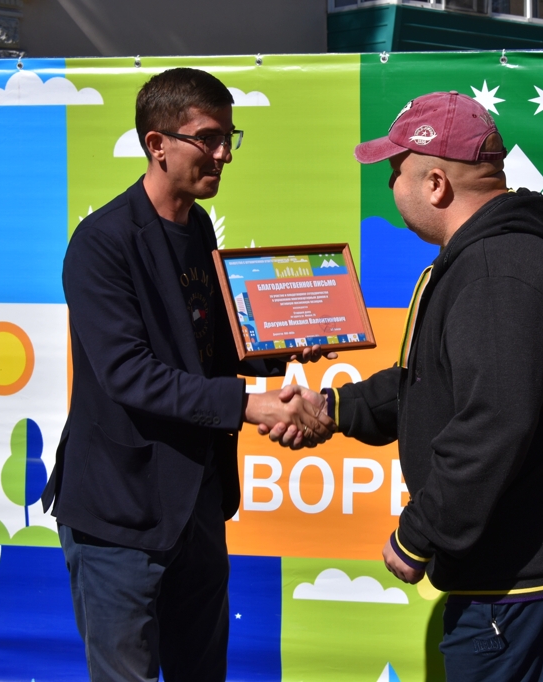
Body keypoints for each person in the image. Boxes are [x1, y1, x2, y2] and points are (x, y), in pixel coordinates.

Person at [267, 91, 543, 681]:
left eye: (395, 170)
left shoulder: (494, 270)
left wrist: (419, 534)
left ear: (436, 184)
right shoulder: (487, 258)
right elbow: (431, 385)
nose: (390, 184)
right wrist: (332, 407)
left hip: (527, 571)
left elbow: (491, 422)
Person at [40, 68, 335, 681]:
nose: (224, 154)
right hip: (121, 514)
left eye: (230, 136)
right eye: (209, 138)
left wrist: (279, 348)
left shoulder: (197, 227)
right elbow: (129, 374)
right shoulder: (101, 242)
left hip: (196, 504)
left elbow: (205, 346)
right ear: (157, 144)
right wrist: (249, 404)